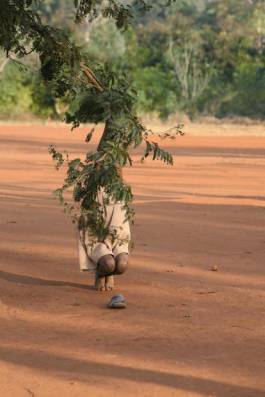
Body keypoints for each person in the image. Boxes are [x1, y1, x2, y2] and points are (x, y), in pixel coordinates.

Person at [77, 186, 130, 291]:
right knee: (109, 264)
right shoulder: (89, 190)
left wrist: (113, 242)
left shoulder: (120, 190)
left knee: (122, 265)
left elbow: (121, 225)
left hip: (117, 238)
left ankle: (109, 272)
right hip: (96, 240)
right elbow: (89, 229)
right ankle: (101, 272)